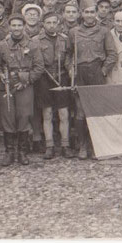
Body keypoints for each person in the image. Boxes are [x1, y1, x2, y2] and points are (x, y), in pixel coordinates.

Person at [68, 0, 118, 160]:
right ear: (81, 14)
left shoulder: (104, 32)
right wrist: (70, 69)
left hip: (97, 71)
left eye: (92, 12)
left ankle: (97, 145)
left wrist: (103, 71)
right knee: (80, 112)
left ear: (96, 14)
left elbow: (112, 54)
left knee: (97, 112)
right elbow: (68, 55)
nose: (89, 15)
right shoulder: (74, 32)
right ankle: (83, 146)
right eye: (86, 12)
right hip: (80, 74)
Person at [0, 13, 45, 166]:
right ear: (9, 27)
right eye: (13, 25)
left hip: (25, 84)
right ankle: (9, 152)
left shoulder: (32, 45)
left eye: (19, 25)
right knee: (7, 117)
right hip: (7, 84)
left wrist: (26, 80)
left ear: (23, 26)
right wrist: (1, 74)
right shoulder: (2, 45)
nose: (16, 28)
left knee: (24, 116)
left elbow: (39, 67)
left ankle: (22, 152)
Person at [36, 11, 75, 159]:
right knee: (47, 114)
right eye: (48, 23)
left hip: (62, 78)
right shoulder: (36, 41)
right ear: (43, 24)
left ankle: (65, 146)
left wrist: (70, 67)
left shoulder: (64, 39)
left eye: (54, 22)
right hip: (44, 79)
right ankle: (50, 146)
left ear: (58, 24)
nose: (52, 26)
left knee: (64, 113)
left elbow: (69, 57)